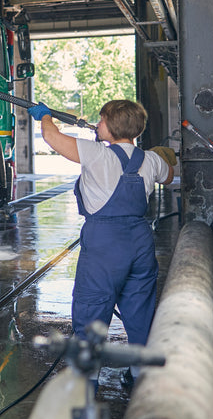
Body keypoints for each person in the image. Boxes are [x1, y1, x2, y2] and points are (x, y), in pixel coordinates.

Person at [27, 99, 175, 385]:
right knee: (139, 311)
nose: (98, 124)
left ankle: (85, 385)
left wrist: (45, 116)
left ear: (113, 125)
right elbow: (169, 176)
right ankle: (141, 379)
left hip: (105, 244)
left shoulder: (96, 154)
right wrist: (158, 158)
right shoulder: (151, 159)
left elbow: (52, 137)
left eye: (102, 120)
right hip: (140, 242)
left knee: (92, 311)